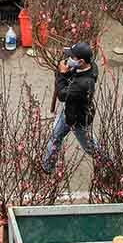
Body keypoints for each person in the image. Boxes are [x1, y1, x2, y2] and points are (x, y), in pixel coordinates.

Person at [42, 42, 109, 173]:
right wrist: (66, 72)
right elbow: (71, 80)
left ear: (81, 61)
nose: (68, 60)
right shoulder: (89, 66)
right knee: (56, 137)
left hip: (79, 120)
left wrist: (61, 73)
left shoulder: (83, 84)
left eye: (72, 58)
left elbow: (62, 94)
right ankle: (47, 167)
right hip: (68, 112)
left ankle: (109, 166)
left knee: (91, 147)